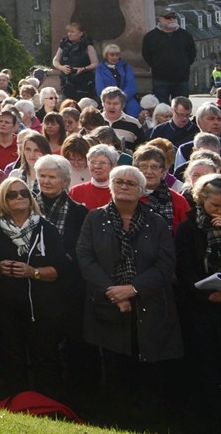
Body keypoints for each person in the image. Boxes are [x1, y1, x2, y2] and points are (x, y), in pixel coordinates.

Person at [75, 164, 182, 397]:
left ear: (141, 190)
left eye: (130, 183)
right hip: (107, 305)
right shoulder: (94, 218)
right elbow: (85, 258)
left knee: (148, 375)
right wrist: (113, 292)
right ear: (110, 187)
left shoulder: (156, 223)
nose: (123, 186)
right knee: (114, 370)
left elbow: (165, 265)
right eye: (118, 182)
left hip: (149, 307)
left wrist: (133, 289)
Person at [0, 176, 69, 395]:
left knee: (45, 359)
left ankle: (48, 408)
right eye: (12, 194)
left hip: (41, 308)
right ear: (3, 200)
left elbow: (61, 269)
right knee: (12, 360)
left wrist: (33, 273)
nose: (20, 197)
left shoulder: (46, 229)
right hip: (5, 307)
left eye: (24, 193)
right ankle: (19, 408)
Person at [174, 173, 221, 424]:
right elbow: (185, 271)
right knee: (206, 368)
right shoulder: (188, 228)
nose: (219, 211)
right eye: (215, 205)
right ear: (202, 200)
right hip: (201, 309)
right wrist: (208, 296)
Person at [142, 10, 197, 104]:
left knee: (181, 107)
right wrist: (157, 66)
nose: (171, 20)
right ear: (160, 18)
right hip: (160, 80)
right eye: (168, 18)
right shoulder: (151, 37)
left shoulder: (185, 35)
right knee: (162, 109)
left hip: (181, 79)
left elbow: (192, 54)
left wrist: (184, 65)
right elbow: (147, 55)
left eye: (173, 17)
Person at [52, 22, 99, 104]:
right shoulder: (64, 44)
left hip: (83, 82)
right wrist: (61, 67)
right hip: (67, 82)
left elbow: (95, 63)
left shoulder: (87, 45)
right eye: (68, 32)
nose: (69, 34)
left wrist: (83, 69)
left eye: (73, 32)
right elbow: (55, 60)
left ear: (80, 33)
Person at [94, 44, 140, 118]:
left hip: (127, 99)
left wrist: (121, 98)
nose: (115, 57)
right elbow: (100, 88)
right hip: (109, 100)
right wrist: (112, 99)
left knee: (134, 113)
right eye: (112, 55)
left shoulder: (126, 67)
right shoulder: (100, 69)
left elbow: (131, 86)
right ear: (106, 55)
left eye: (117, 55)